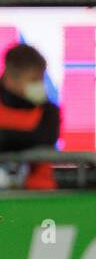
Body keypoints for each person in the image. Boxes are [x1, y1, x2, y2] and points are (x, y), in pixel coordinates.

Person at [0, 44, 61, 191]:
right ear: (11, 78)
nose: (39, 85)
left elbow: (43, 137)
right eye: (34, 79)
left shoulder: (49, 111)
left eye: (41, 79)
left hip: (39, 198)